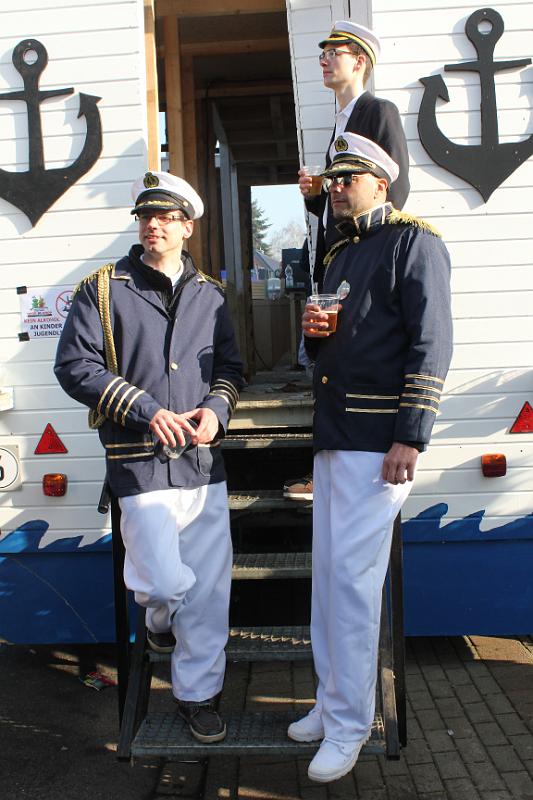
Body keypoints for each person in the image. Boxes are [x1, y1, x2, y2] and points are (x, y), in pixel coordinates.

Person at [55, 171, 244, 744]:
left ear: (188, 227)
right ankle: (160, 622)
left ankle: (198, 697)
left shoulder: (211, 294)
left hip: (202, 467)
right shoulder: (102, 289)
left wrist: (217, 410)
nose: (152, 225)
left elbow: (231, 370)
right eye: (145, 217)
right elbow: (75, 366)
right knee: (161, 585)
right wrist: (145, 409)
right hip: (138, 462)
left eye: (165, 217)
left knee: (208, 595)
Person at [287, 133, 453, 783]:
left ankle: (352, 725)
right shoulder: (337, 251)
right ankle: (331, 704)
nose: (334, 187)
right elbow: (329, 343)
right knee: (329, 582)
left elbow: (431, 343)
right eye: (331, 178)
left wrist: (410, 434)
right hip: (335, 435)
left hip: (379, 441)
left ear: (381, 183)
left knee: (354, 588)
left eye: (347, 178)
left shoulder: (414, 243)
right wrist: (313, 338)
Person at [284, 19, 410, 502]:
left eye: (332, 52)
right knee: (326, 357)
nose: (323, 59)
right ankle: (327, 466)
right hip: (333, 259)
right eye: (322, 52)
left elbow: (392, 187)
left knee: (347, 355)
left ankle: (338, 468)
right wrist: (316, 194)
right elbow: (340, 201)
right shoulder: (339, 121)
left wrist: (370, 250)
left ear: (359, 61)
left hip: (359, 259)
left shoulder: (378, 111)